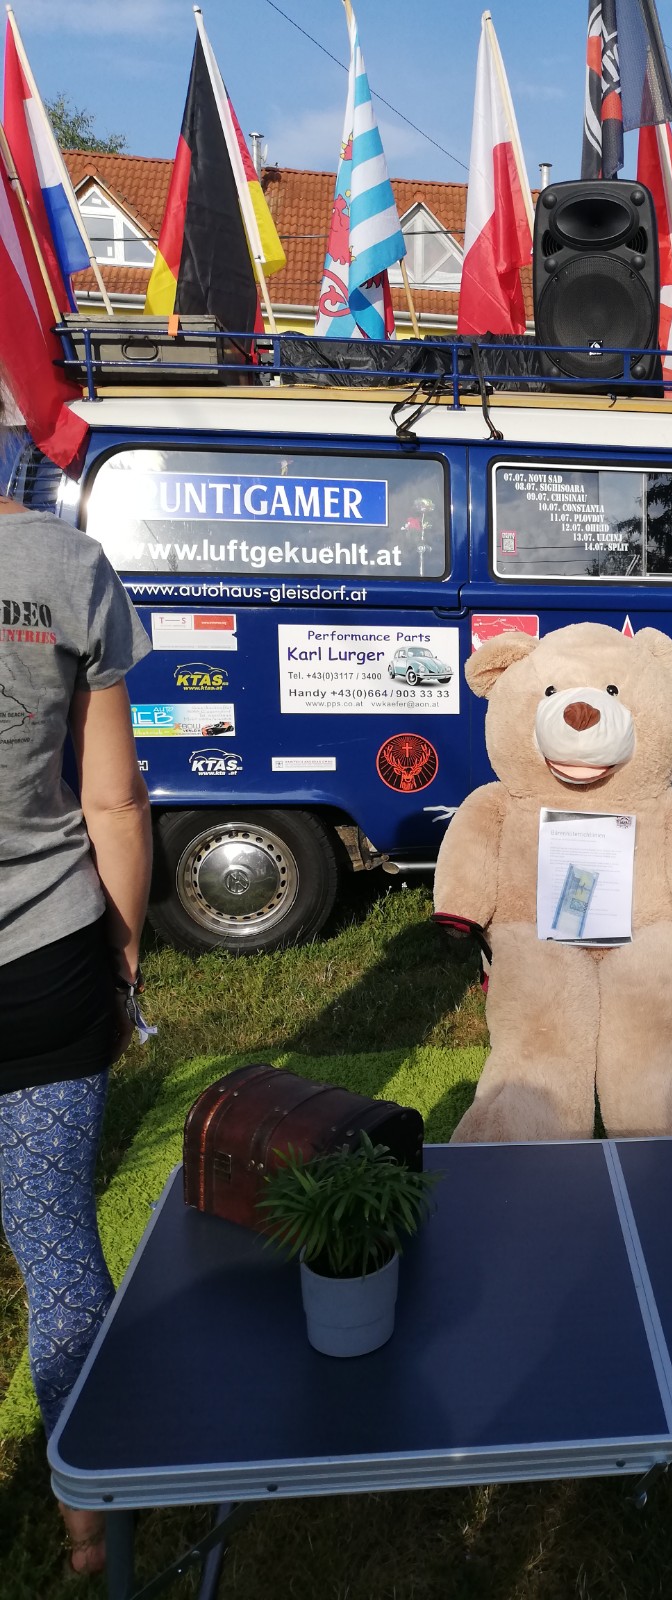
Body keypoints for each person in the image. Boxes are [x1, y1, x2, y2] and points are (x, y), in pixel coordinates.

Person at [0, 427, 152, 1576]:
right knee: (55, 1239)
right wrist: (127, 954)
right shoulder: (62, 564)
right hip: (46, 957)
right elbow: (113, 801)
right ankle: (94, 1517)